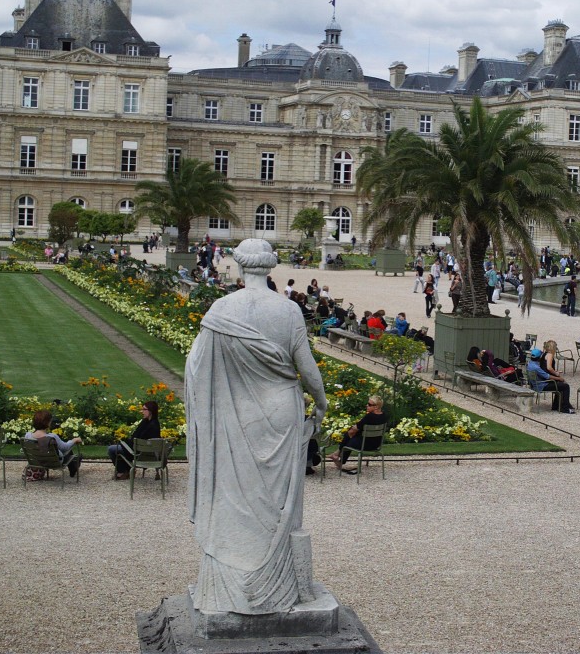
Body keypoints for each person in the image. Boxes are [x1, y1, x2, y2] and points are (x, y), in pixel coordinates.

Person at [184, 238, 327, 615]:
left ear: (239, 265)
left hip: (236, 412)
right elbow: (307, 367)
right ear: (271, 266)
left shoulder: (221, 309)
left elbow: (197, 368)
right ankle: (278, 582)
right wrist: (322, 401)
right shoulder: (288, 311)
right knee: (282, 501)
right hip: (281, 409)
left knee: (233, 492)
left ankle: (231, 582)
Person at [327, 395, 388, 473]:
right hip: (376, 444)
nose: (367, 405)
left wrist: (352, 430)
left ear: (376, 407)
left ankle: (339, 459)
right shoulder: (384, 416)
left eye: (369, 404)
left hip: (364, 444)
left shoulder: (369, 417)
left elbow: (353, 430)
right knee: (351, 435)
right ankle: (336, 454)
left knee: (349, 435)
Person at [108, 401, 162, 480]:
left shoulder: (150, 425)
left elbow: (136, 439)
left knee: (111, 449)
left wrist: (125, 442)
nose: (142, 411)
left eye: (144, 409)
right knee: (119, 446)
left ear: (150, 411)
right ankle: (127, 470)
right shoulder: (152, 423)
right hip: (150, 455)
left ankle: (123, 471)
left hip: (138, 454)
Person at [24, 409, 82, 478]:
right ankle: (74, 466)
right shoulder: (51, 437)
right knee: (67, 450)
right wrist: (74, 440)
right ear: (48, 423)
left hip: (36, 461)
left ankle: (74, 465)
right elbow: (65, 447)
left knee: (60, 449)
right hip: (54, 462)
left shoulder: (28, 435)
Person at [525, 347, 574, 413]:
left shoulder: (529, 364)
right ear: (539, 357)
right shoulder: (536, 367)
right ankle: (565, 408)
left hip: (534, 385)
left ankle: (556, 406)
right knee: (565, 386)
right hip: (541, 386)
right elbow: (547, 376)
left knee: (560, 384)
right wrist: (560, 378)